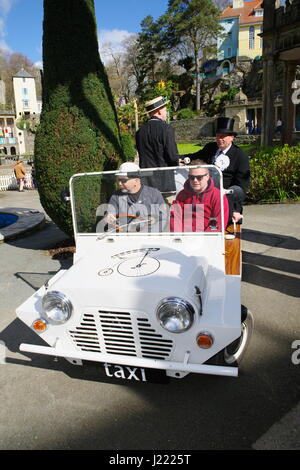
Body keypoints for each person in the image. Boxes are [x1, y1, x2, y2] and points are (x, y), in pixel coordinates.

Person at [183, 117, 250, 224]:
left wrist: (236, 209)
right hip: (205, 194)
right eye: (218, 136)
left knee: (217, 226)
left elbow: (241, 185)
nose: (219, 139)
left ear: (232, 137)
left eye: (223, 136)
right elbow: (196, 156)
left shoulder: (240, 156)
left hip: (226, 198)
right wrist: (182, 158)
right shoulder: (210, 148)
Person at [98, 162, 167, 233]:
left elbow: (162, 219)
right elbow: (110, 216)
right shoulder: (116, 196)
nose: (119, 183)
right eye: (119, 180)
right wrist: (107, 219)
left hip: (148, 237)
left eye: (124, 180)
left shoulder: (154, 194)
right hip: (125, 238)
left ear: (136, 180)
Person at [135, 96, 180, 201]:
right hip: (165, 182)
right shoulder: (166, 129)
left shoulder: (140, 132)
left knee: (150, 214)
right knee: (166, 213)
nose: (166, 111)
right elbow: (172, 157)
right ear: (159, 111)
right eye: (165, 109)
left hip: (146, 181)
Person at [170, 160, 229, 233]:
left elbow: (217, 224)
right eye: (191, 177)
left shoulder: (217, 196)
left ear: (207, 177)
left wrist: (202, 240)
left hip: (208, 239)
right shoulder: (181, 195)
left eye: (199, 177)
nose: (195, 180)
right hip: (185, 238)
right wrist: (179, 237)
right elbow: (175, 219)